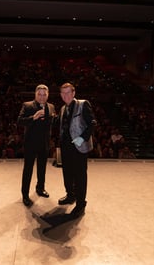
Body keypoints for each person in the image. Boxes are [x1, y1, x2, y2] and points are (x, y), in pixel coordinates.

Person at [58, 82, 96, 218]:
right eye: (63, 93)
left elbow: (92, 123)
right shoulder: (63, 108)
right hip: (66, 147)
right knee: (67, 173)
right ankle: (70, 196)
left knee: (80, 176)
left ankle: (81, 203)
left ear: (73, 93)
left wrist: (83, 138)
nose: (66, 95)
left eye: (68, 92)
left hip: (79, 146)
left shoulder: (83, 104)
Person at [17, 84, 56, 207]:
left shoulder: (51, 106)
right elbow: (19, 121)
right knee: (28, 170)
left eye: (44, 94)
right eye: (39, 94)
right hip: (30, 144)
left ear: (48, 95)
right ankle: (25, 194)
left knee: (42, 169)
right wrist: (33, 117)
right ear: (35, 94)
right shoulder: (27, 105)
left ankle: (40, 188)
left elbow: (53, 123)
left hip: (44, 144)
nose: (42, 97)